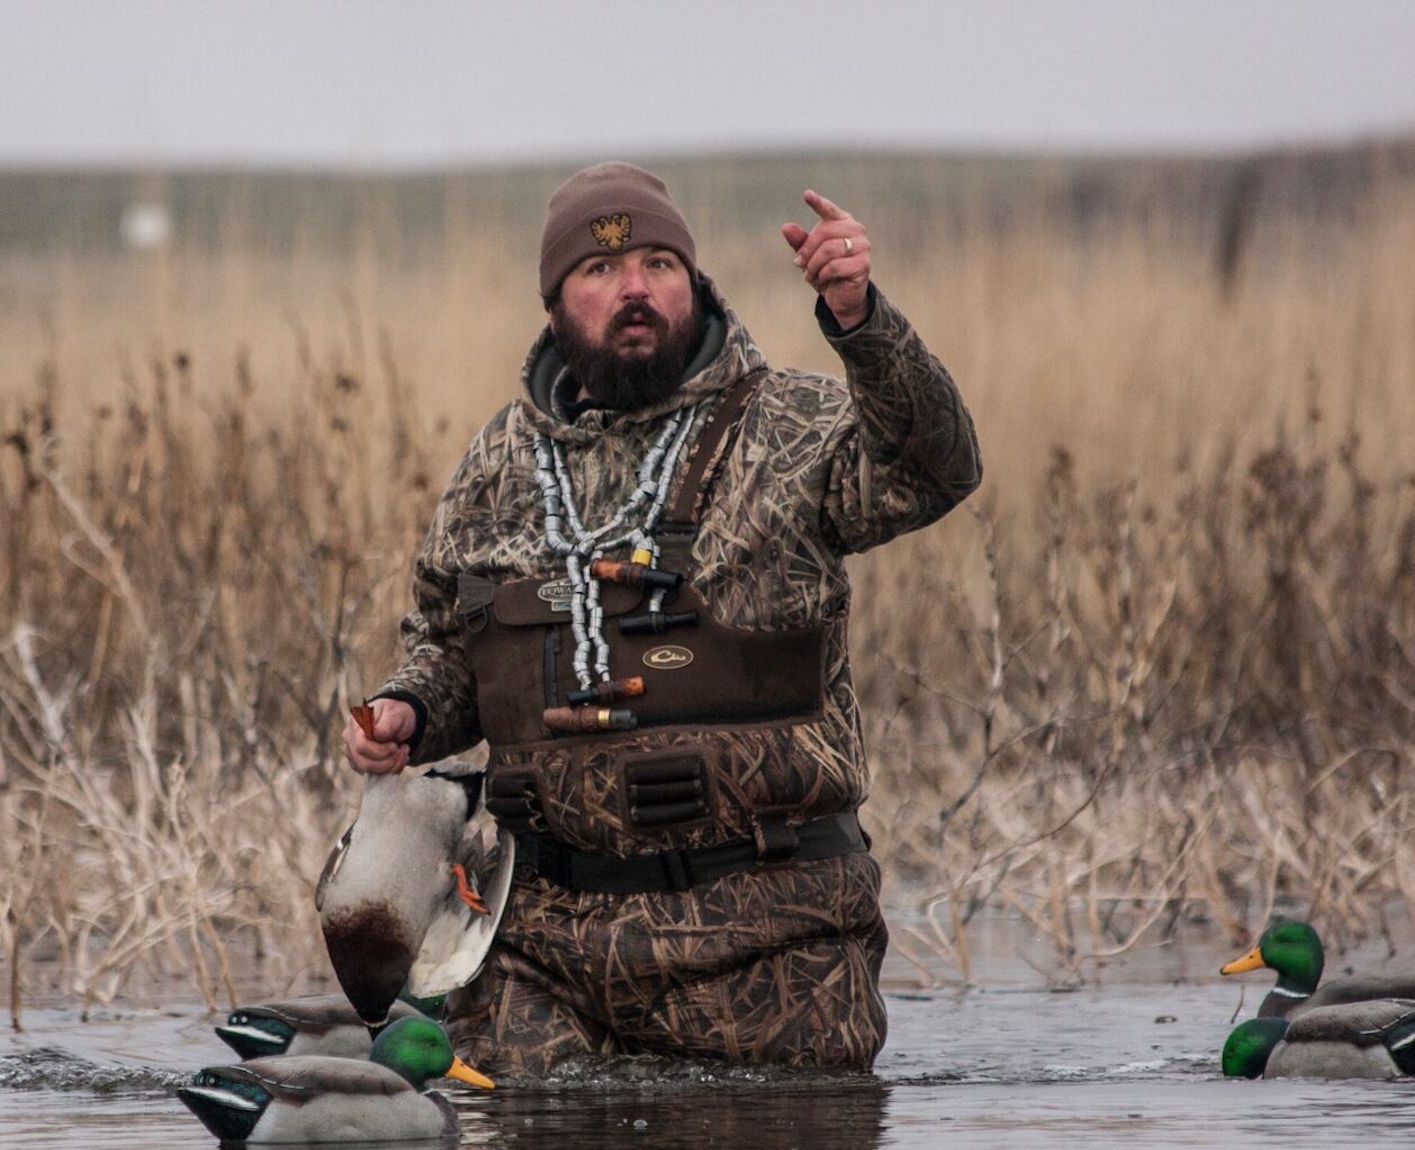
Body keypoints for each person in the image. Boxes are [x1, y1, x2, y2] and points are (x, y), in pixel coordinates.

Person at [343, 162, 980, 1076]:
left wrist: (860, 319)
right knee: (500, 1129)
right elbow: (448, 646)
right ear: (554, 303)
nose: (633, 288)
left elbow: (934, 472)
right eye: (599, 270)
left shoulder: (792, 425)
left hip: (772, 944)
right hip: (540, 952)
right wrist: (405, 711)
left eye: (657, 264)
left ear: (694, 280)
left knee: (779, 1140)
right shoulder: (497, 464)